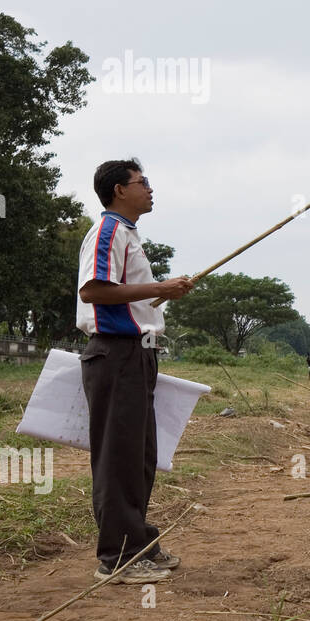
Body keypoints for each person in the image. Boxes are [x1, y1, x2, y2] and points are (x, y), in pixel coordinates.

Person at [76, 158, 194, 584]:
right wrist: (160, 287)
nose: (150, 189)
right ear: (118, 190)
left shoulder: (128, 235)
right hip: (116, 354)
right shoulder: (106, 230)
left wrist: (161, 293)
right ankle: (117, 558)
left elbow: (127, 296)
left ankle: (139, 542)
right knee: (118, 457)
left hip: (137, 354)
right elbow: (92, 290)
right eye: (142, 182)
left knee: (140, 457)